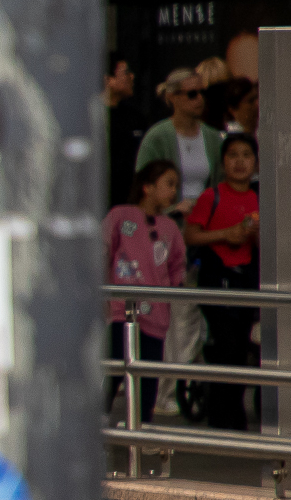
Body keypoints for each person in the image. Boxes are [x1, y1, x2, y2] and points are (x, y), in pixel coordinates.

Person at [185, 132, 261, 431]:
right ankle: (221, 416)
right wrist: (225, 235)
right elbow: (191, 234)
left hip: (245, 281)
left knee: (240, 348)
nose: (240, 162)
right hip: (217, 280)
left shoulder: (259, 198)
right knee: (226, 346)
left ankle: (235, 416)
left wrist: (253, 235)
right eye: (233, 155)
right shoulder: (211, 196)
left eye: (246, 155)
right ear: (222, 162)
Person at [107, 159, 186, 420]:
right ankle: (98, 426)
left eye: (176, 185)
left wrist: (175, 289)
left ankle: (141, 433)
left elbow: (177, 265)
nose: (174, 191)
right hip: (121, 311)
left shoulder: (170, 227)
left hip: (156, 316)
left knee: (148, 379)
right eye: (168, 184)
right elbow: (103, 249)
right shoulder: (121, 216)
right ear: (147, 187)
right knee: (113, 369)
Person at [136, 68, 221, 212]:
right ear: (172, 97)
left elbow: (220, 183)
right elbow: (141, 187)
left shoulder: (213, 137)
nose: (200, 98)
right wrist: (173, 210)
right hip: (168, 222)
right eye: (192, 94)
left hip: (204, 221)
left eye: (202, 92)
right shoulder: (157, 137)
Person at [103, 53, 143, 211]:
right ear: (108, 79)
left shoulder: (136, 118)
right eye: (126, 72)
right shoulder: (89, 118)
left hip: (131, 205)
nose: (132, 76)